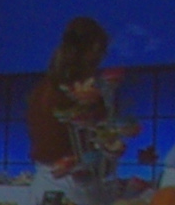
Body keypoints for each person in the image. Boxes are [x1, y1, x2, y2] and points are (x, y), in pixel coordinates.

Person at [24, 19, 117, 175]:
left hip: (45, 177)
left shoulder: (42, 88)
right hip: (76, 179)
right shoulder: (82, 94)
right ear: (94, 49)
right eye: (102, 52)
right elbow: (100, 139)